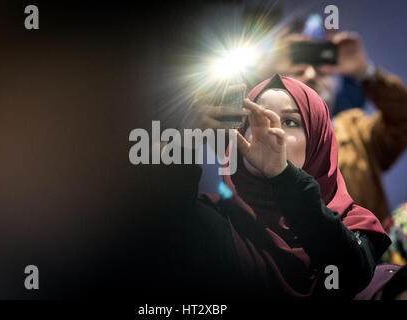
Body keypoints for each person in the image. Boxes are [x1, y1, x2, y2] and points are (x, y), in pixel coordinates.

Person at [157, 74, 390, 299]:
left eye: (290, 122)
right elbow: (155, 222)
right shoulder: (212, 217)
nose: (270, 130)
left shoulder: (354, 224)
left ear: (318, 142)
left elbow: (348, 271)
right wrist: (184, 143)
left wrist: (283, 176)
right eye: (256, 120)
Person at [269, 30, 407, 222]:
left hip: (367, 249)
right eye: (299, 71)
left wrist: (367, 73)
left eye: (320, 71)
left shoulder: (355, 128)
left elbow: (402, 116)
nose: (311, 75)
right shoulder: (260, 135)